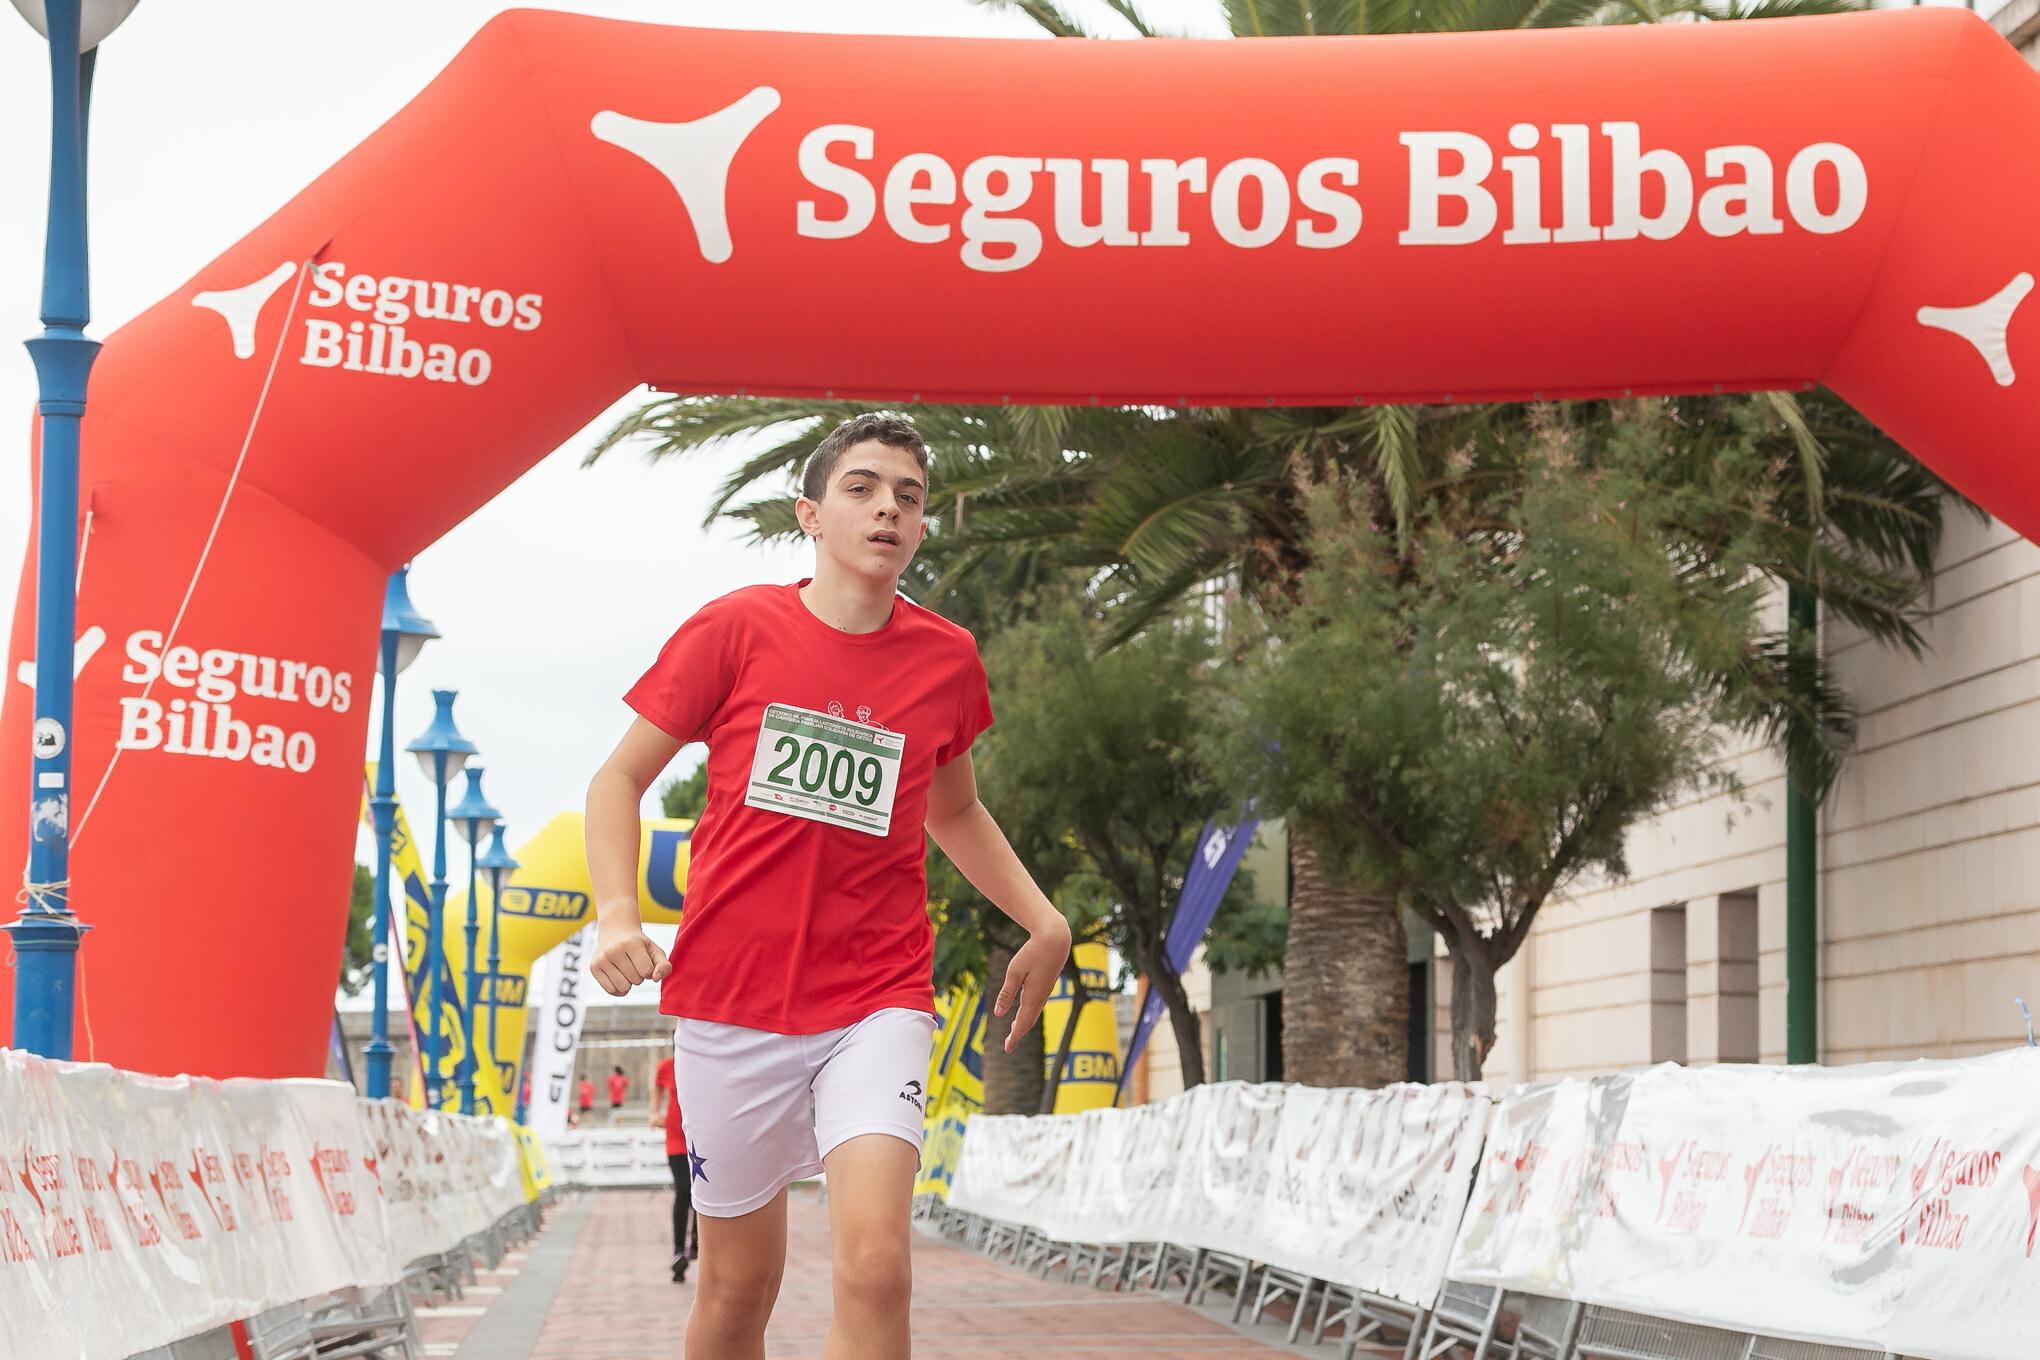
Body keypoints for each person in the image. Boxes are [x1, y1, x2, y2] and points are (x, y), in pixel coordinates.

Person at [585, 413, 1071, 1360]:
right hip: (732, 1001)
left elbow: (956, 812)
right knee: (735, 1293)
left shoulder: (946, 660)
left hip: (874, 996)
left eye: (909, 496)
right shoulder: (736, 630)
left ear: (922, 528)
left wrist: (1044, 919)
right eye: (862, 488)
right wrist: (614, 914)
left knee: (878, 1266)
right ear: (810, 514)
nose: (887, 507)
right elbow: (617, 781)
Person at [653, 1050, 694, 1283]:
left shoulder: (708, 1061)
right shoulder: (667, 1066)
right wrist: (654, 1112)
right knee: (684, 1188)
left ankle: (697, 1242)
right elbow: (657, 1087)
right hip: (676, 1140)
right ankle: (679, 1250)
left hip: (703, 1139)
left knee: (705, 1190)